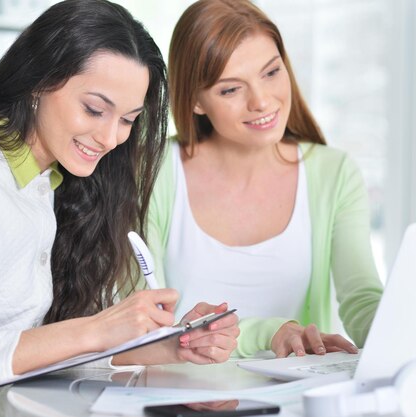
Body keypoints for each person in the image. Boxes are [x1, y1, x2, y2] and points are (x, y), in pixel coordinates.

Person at [0, 0, 238, 403]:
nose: (111, 138)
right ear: (37, 81)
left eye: (128, 120)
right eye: (94, 109)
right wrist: (94, 329)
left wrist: (171, 346)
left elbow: (35, 354)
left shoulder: (59, 180)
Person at [146, 0, 383, 359]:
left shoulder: (333, 173)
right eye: (230, 89)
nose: (261, 101)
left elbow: (362, 300)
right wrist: (270, 332)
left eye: (271, 72)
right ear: (195, 101)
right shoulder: (154, 170)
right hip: (181, 402)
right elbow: (140, 323)